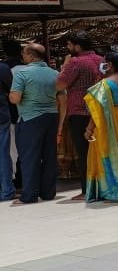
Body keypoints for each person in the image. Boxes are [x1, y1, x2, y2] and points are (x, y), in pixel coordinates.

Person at [8, 44, 60, 205]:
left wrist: (10, 96)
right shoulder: (55, 73)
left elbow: (15, 98)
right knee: (49, 156)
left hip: (30, 118)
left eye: (23, 53)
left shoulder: (22, 73)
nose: (22, 56)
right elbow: (61, 97)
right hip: (52, 116)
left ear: (31, 55)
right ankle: (48, 192)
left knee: (29, 157)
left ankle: (29, 195)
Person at [82, 52, 118, 203]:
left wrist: (89, 129)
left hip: (110, 127)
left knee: (110, 156)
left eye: (105, 63)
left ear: (110, 65)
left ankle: (116, 192)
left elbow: (97, 111)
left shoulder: (105, 84)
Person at [56, 31, 104, 200]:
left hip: (81, 111)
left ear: (77, 46)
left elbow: (60, 84)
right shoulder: (101, 60)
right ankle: (102, 186)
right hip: (100, 110)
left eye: (69, 45)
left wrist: (64, 65)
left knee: (83, 153)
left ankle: (87, 190)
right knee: (99, 150)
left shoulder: (75, 62)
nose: (68, 48)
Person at [0, 45, 14, 201]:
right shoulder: (3, 68)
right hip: (1, 115)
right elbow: (12, 89)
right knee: (3, 153)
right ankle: (6, 191)